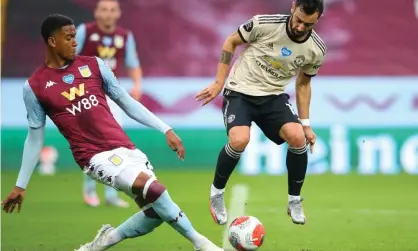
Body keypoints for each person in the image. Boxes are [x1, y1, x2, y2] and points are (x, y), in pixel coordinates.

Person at [1, 14, 223, 251]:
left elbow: (127, 103)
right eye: (68, 38)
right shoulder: (34, 87)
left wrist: (165, 128)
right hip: (92, 156)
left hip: (125, 148)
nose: (75, 42)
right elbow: (35, 137)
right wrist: (20, 185)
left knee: (155, 213)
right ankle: (202, 244)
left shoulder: (94, 65)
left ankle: (102, 242)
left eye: (75, 36)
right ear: (52, 42)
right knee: (155, 189)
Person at [195, 0, 326, 226]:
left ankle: (294, 200)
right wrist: (219, 82)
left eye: (308, 25)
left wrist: (305, 123)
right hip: (240, 91)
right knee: (239, 140)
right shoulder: (263, 24)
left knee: (297, 137)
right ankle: (216, 193)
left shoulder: (316, 49)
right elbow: (231, 41)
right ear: (293, 7)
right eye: (299, 21)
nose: (301, 27)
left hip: (272, 97)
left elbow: (303, 85)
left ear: (317, 20)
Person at [75, 0, 143, 208]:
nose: (108, 14)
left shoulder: (124, 36)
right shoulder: (84, 31)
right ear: (96, 12)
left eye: (112, 10)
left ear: (118, 13)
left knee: (117, 145)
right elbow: (68, 59)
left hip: (112, 97)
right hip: (86, 95)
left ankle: (112, 193)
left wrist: (137, 84)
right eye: (104, 10)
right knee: (92, 145)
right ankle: (89, 189)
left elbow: (132, 63)